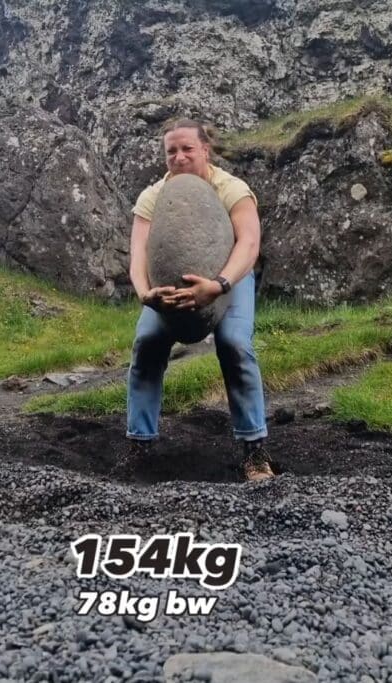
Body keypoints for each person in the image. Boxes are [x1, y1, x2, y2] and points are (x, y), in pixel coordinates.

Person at [115, 118, 274, 482]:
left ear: (205, 149)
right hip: (167, 290)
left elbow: (249, 244)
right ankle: (140, 446)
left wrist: (218, 285)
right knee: (147, 343)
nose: (179, 156)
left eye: (187, 148)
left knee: (235, 344)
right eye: (171, 151)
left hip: (229, 278)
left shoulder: (231, 188)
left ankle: (255, 450)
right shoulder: (153, 196)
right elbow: (138, 255)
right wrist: (145, 295)